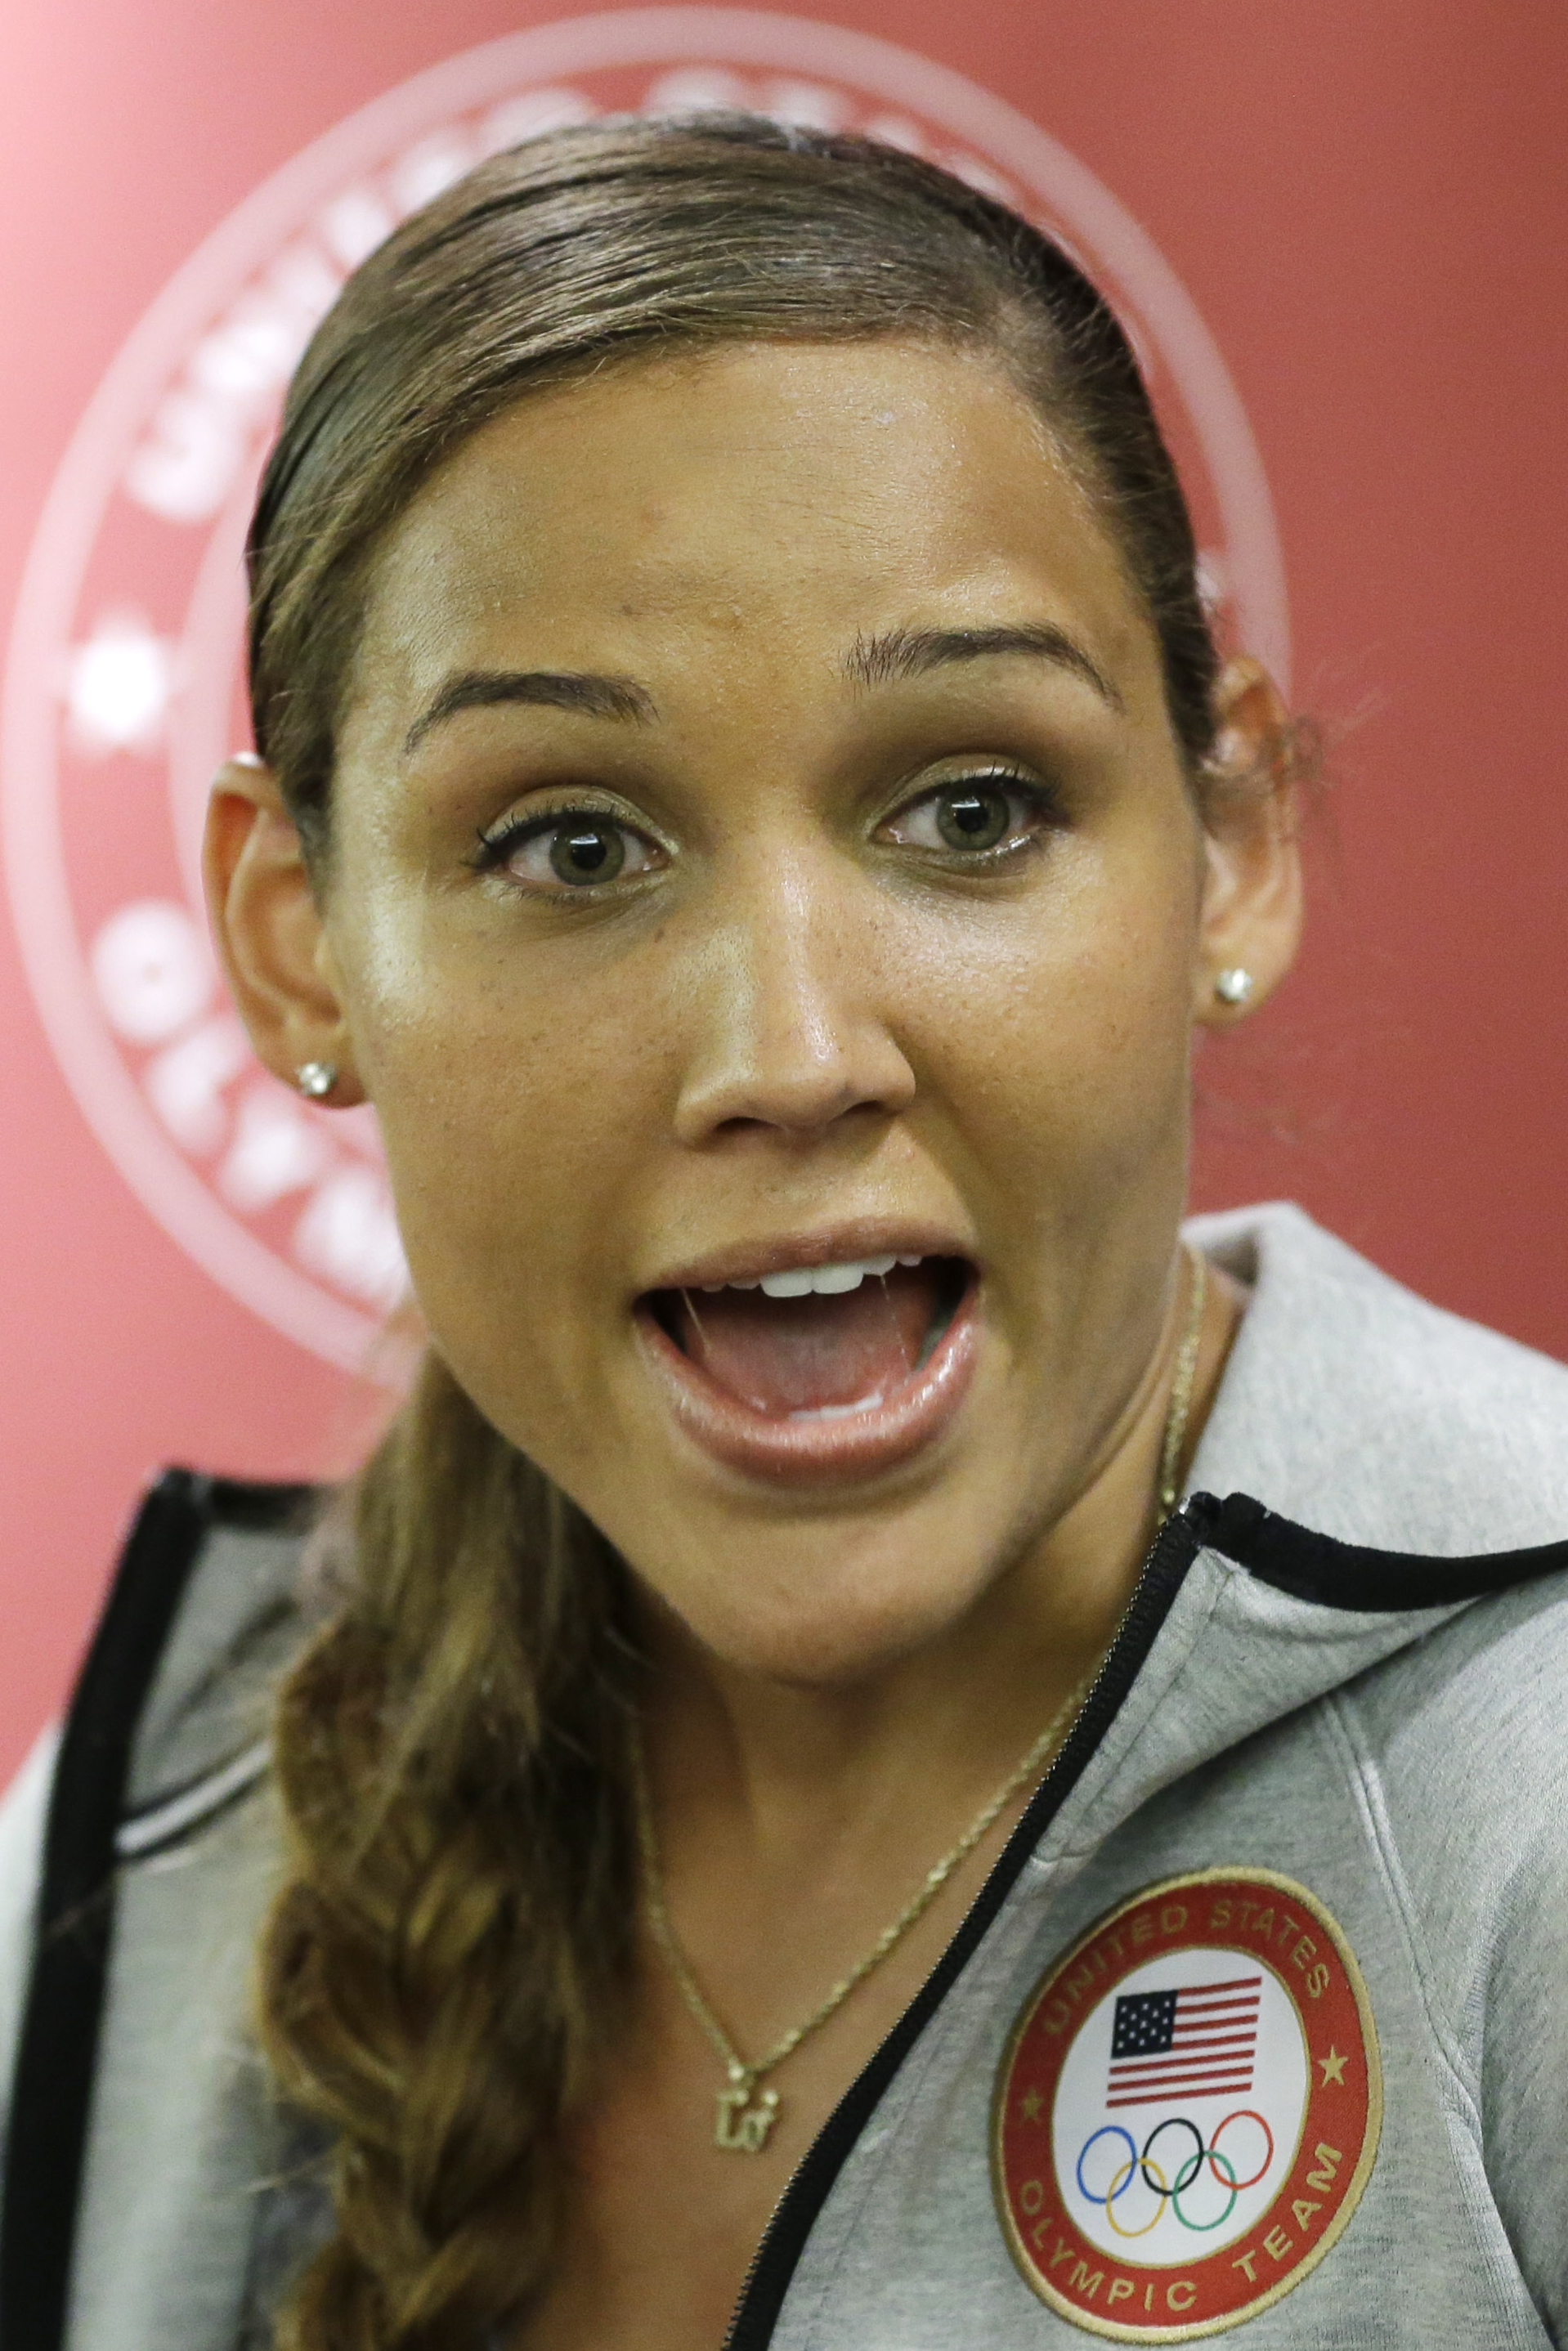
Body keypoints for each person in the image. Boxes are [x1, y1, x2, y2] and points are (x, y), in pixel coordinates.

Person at [2, 112, 1566, 2351]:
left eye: (971, 808)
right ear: (297, 942)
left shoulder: (1536, 1776)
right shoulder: (161, 1813)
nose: (795, 1049)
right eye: (572, 846)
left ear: (1228, 839)